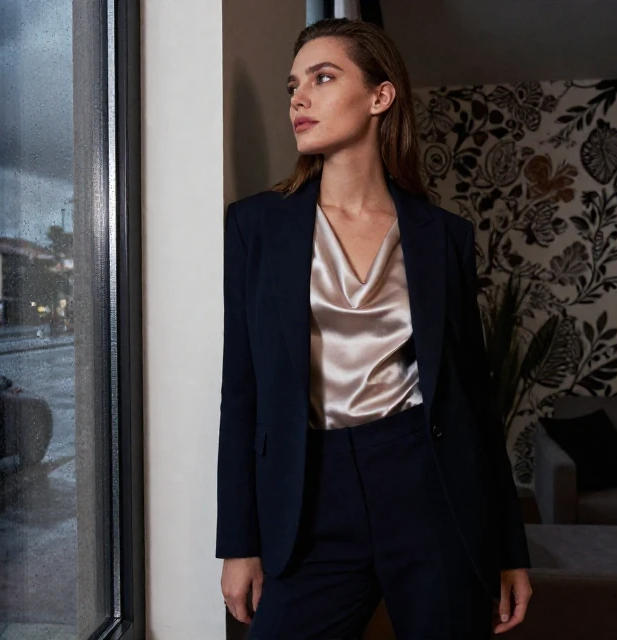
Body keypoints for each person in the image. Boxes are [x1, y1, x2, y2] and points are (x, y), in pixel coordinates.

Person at [217, 17, 532, 639]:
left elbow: (474, 398)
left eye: (322, 78)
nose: (298, 99)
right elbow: (242, 388)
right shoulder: (256, 226)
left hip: (430, 489)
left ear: (380, 96)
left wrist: (508, 547)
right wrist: (238, 542)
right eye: (292, 86)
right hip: (310, 495)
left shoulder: (443, 237)